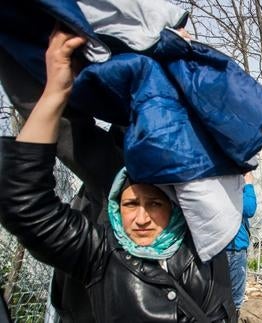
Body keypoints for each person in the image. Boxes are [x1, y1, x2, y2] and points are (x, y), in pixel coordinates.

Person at [0, 28, 236, 322]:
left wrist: (180, 62)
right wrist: (54, 93)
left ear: (177, 207)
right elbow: (25, 205)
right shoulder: (101, 255)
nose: (140, 219)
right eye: (130, 204)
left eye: (155, 204)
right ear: (115, 204)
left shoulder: (205, 251)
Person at [226, 172, 257, 311]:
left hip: (214, 248)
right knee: (236, 300)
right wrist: (249, 184)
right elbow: (249, 209)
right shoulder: (227, 183)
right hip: (233, 247)